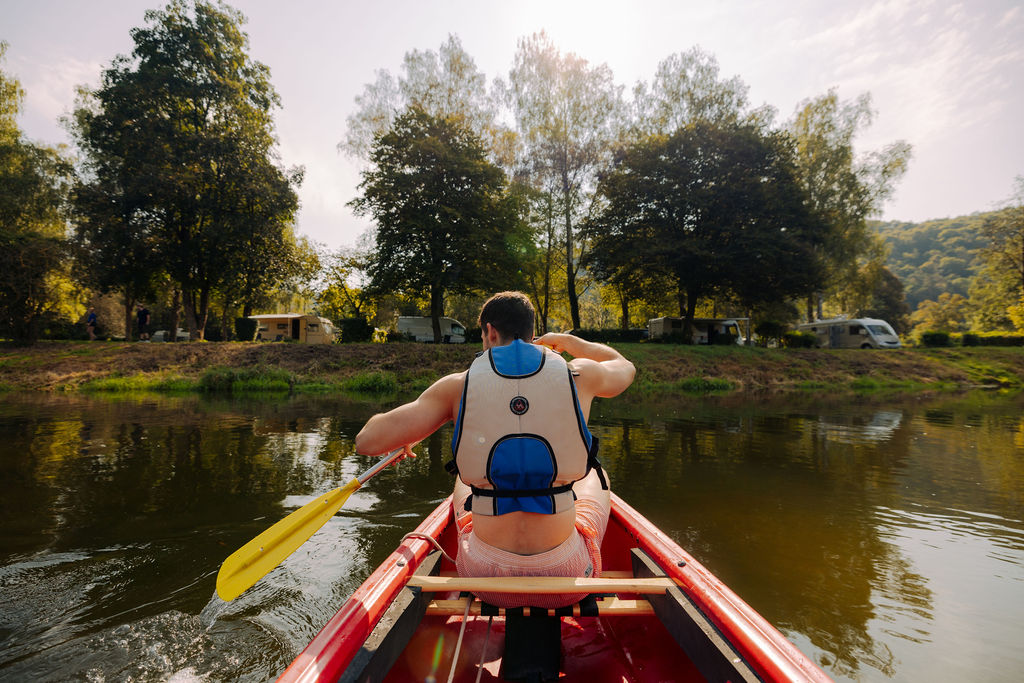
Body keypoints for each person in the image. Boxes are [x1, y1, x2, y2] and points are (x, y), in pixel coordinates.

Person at [355, 291, 635, 608]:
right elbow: (624, 366)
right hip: (566, 577)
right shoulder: (580, 374)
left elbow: (367, 441)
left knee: (466, 476)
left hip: (484, 577)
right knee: (595, 474)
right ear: (532, 332)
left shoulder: (459, 385)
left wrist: (411, 431)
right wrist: (568, 342)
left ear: (489, 332)